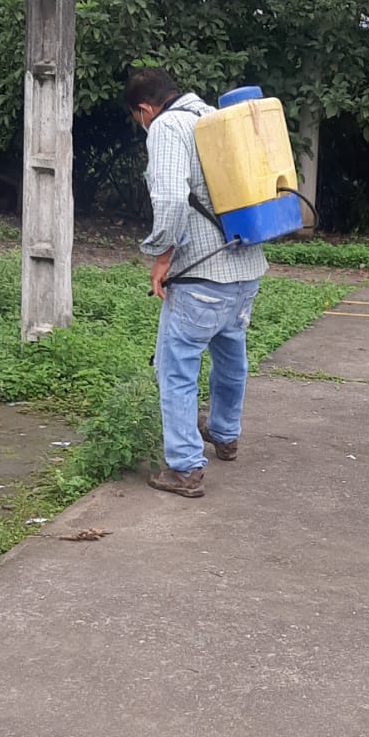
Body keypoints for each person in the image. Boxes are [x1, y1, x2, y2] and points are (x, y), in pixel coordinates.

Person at [123, 67, 268, 499]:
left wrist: (161, 256)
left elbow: (170, 199)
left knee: (176, 368)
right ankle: (224, 433)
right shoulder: (214, 117)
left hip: (202, 275)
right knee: (231, 354)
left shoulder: (168, 127)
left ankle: (184, 467)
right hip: (245, 270)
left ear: (145, 109)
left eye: (137, 117)